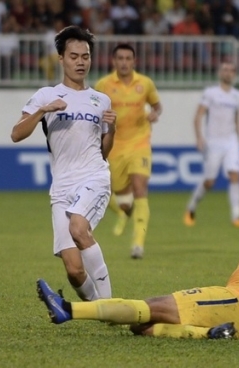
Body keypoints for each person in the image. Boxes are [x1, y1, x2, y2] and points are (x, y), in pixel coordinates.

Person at [37, 184, 239, 339]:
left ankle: (69, 310)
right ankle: (212, 335)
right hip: (234, 309)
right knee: (142, 327)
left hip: (237, 303)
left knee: (151, 306)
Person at [11, 26, 117, 302]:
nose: (81, 62)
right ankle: (96, 307)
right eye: (74, 56)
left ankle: (110, 305)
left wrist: (112, 130)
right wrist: (43, 111)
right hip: (62, 187)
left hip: (94, 176)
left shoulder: (100, 100)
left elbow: (104, 152)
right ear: (61, 59)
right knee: (73, 270)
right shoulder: (46, 95)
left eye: (86, 56)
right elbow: (16, 134)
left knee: (79, 229)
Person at [94, 43, 162, 260]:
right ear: (114, 62)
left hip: (139, 143)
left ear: (134, 61)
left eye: (127, 58)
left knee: (140, 188)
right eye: (120, 58)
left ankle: (138, 244)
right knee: (109, 193)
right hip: (113, 145)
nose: (124, 62)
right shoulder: (103, 85)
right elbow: (93, 112)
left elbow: (157, 105)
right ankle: (124, 210)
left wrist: (154, 113)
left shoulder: (145, 83)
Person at [183, 61, 239, 228]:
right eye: (225, 70)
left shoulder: (237, 96)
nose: (228, 73)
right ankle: (191, 208)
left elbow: (237, 119)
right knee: (209, 181)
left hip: (231, 141)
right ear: (220, 73)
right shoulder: (211, 93)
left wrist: (237, 140)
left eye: (231, 70)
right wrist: (199, 138)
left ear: (234, 74)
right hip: (213, 142)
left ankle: (236, 216)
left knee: (235, 175)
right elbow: (198, 116)